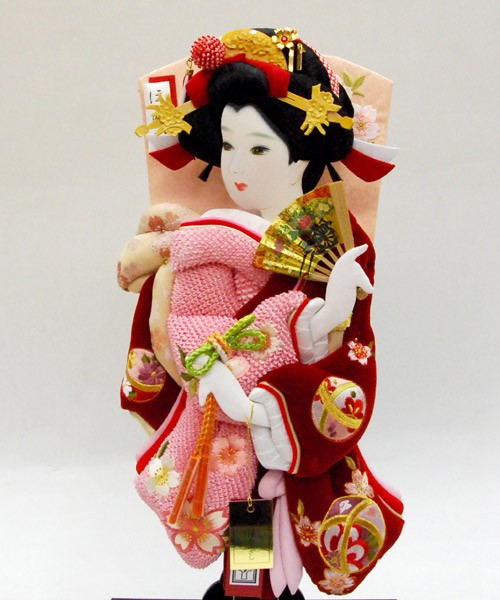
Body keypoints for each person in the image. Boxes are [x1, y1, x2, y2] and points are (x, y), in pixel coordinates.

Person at [118, 28, 404, 597]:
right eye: (227, 147)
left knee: (274, 508)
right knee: (243, 515)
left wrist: (278, 396)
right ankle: (246, 588)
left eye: (257, 149)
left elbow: (350, 346)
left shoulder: (334, 238)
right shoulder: (205, 233)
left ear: (303, 152)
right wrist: (212, 374)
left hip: (283, 413)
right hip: (219, 407)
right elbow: (186, 324)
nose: (236, 166)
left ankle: (267, 588)